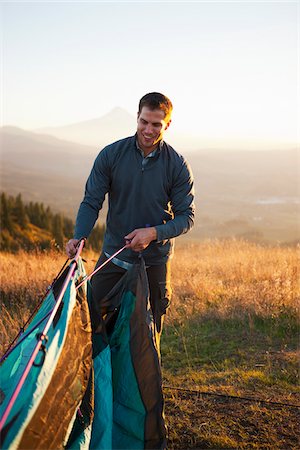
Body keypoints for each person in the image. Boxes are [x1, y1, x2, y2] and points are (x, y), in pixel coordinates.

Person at [66, 92, 194, 334]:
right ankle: (99, 372)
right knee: (92, 325)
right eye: (144, 122)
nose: (148, 130)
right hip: (113, 257)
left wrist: (153, 233)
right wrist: (79, 236)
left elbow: (186, 217)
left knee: (147, 334)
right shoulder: (111, 154)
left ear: (167, 124)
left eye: (156, 124)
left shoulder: (177, 165)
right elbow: (92, 201)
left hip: (155, 264)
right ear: (137, 117)